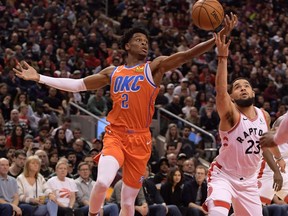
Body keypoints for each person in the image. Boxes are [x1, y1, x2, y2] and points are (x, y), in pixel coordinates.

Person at [13, 15, 237, 216]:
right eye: (139, 40)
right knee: (102, 181)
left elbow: (187, 55)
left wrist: (216, 38)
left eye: (146, 42)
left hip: (141, 140)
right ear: (127, 45)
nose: (144, 44)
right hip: (115, 135)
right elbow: (78, 85)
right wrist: (39, 78)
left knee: (128, 202)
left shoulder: (154, 67)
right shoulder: (113, 72)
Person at [203, 32, 284, 216]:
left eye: (246, 85)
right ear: (232, 97)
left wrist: (276, 170)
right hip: (223, 176)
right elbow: (221, 91)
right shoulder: (231, 114)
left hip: (249, 182)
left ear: (253, 93)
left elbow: (264, 147)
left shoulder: (264, 115)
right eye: (238, 87)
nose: (243, 88)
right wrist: (223, 57)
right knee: (218, 213)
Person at [258, 113, 288, 205]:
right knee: (252, 207)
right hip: (269, 168)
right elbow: (268, 142)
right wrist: (276, 170)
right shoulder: (283, 120)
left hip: (285, 166)